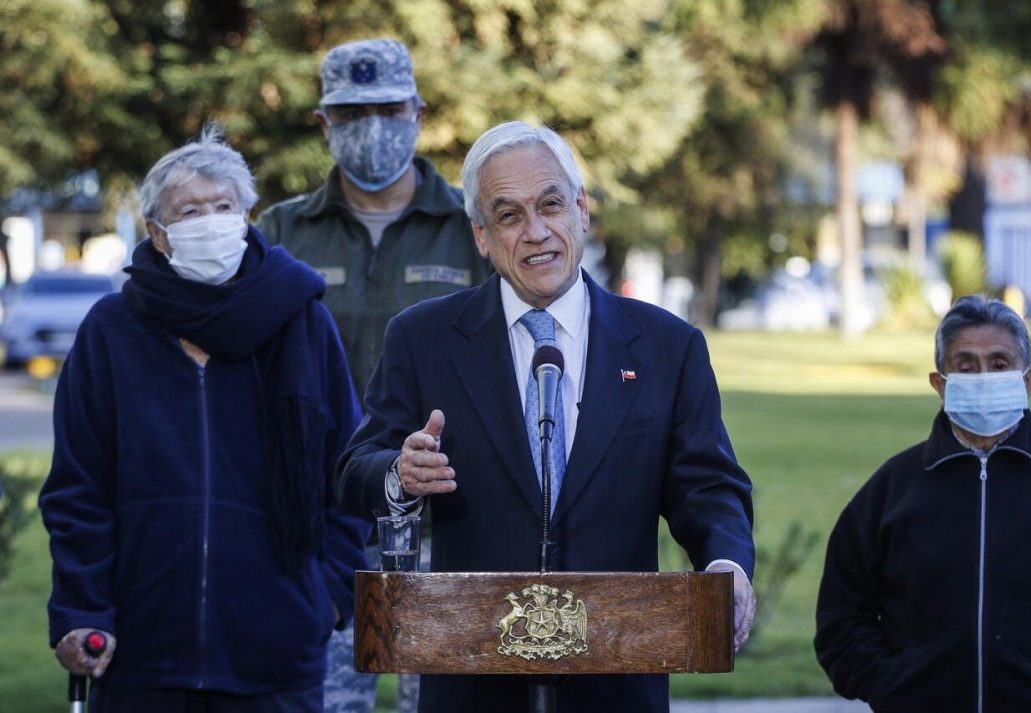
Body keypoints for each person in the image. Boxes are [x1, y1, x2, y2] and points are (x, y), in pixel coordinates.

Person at [336, 120, 756, 713]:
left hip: (616, 682)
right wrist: (398, 475)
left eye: (551, 205)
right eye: (508, 215)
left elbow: (708, 488)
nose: (536, 232)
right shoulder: (423, 337)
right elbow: (355, 468)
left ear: (581, 210)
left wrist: (726, 565)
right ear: (481, 236)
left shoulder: (668, 345)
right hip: (472, 683)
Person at [39, 125, 368, 712]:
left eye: (223, 207)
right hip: (140, 655)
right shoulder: (111, 331)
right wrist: (81, 609)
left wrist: (328, 597)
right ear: (157, 234)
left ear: (246, 217)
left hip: (276, 659)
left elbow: (347, 473)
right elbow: (78, 490)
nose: (211, 222)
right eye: (190, 211)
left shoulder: (302, 324)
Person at [257, 37, 491, 713]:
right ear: (323, 123)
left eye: (387, 109)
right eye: (352, 113)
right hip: (323, 527)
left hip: (449, 524)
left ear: (418, 113)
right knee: (321, 703)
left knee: (445, 703)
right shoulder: (282, 231)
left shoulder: (471, 227)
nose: (372, 127)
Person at [814, 294, 1031, 711]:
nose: (983, 376)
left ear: (1029, 380)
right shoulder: (892, 489)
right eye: (966, 366)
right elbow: (840, 620)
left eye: (999, 364)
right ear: (940, 384)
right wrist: (892, 687)